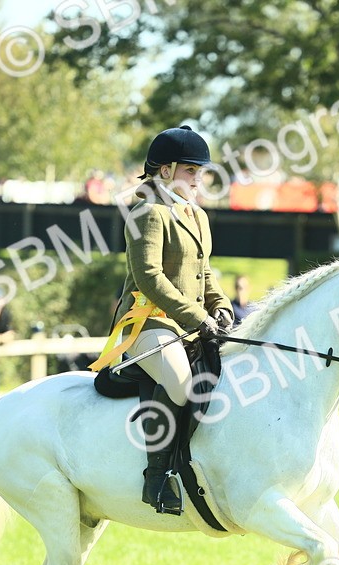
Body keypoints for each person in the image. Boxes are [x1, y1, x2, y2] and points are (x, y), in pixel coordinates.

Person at [91, 125, 232, 514]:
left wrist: (220, 307)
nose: (198, 179)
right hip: (148, 323)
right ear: (165, 171)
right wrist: (197, 315)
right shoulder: (145, 213)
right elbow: (150, 278)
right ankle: (158, 479)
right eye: (191, 171)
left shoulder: (197, 215)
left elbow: (205, 273)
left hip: (190, 322)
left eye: (200, 172)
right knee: (182, 383)